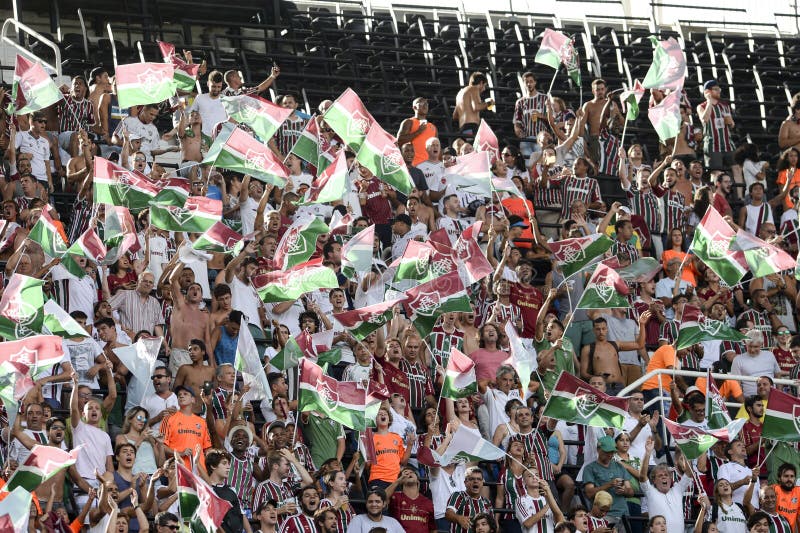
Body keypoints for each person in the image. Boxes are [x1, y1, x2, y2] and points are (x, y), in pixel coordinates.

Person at [640, 437, 694, 533]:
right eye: (660, 476)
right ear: (654, 481)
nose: (664, 477)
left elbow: (689, 473)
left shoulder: (677, 489)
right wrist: (648, 453)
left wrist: (686, 451)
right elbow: (642, 477)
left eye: (666, 475)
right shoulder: (650, 491)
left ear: (670, 478)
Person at [582, 436, 633, 522]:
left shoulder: (619, 466)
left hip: (624, 515)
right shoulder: (589, 468)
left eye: (612, 452)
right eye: (607, 452)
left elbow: (631, 491)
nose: (610, 454)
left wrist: (625, 491)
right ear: (598, 450)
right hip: (604, 516)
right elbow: (589, 493)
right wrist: (610, 484)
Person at [159, 385, 212, 469]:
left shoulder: (202, 422)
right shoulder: (169, 419)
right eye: (179, 395)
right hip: (177, 469)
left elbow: (207, 448)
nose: (181, 396)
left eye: (185, 394)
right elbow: (161, 445)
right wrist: (180, 453)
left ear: (193, 399)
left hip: (199, 471)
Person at [697, 80, 736, 170]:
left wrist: (730, 123)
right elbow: (704, 119)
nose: (719, 91)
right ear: (707, 91)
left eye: (719, 89)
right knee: (715, 170)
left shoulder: (724, 105)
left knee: (736, 168)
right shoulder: (701, 106)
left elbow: (732, 125)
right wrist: (709, 101)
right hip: (712, 143)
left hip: (727, 143)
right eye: (716, 89)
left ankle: (738, 184)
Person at [386, 467, 436, 533]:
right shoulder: (395, 497)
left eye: (412, 473)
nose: (409, 474)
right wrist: (398, 481)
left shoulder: (428, 502)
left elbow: (433, 529)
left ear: (418, 480)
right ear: (401, 480)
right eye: (405, 473)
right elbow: (382, 498)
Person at [445, 467, 494, 533]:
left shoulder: (487, 502)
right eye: (471, 479)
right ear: (465, 482)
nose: (476, 481)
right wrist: (458, 518)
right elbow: (448, 514)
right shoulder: (458, 496)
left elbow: (491, 525)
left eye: (479, 479)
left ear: (482, 483)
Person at [397, 97, 439, 167]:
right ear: (414, 107)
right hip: (413, 165)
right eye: (422, 103)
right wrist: (418, 132)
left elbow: (437, 149)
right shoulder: (409, 122)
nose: (425, 105)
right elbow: (399, 141)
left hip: (430, 168)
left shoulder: (433, 127)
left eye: (426, 104)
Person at [453, 72, 493, 138]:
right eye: (485, 85)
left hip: (463, 130)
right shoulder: (474, 89)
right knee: (472, 147)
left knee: (468, 146)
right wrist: (490, 103)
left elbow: (455, 116)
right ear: (481, 83)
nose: (484, 89)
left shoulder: (459, 94)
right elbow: (476, 107)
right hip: (471, 128)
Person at [772, 463, 800, 531]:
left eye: (792, 476)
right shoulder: (774, 489)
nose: (789, 479)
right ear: (779, 478)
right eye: (786, 476)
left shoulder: (798, 492)